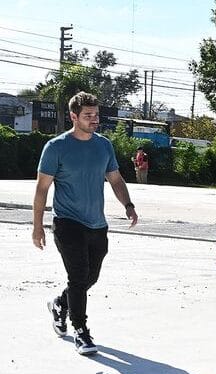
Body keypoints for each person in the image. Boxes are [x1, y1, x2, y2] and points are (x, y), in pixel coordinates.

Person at [33, 91, 139, 356]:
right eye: (88, 115)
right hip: (67, 222)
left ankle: (61, 303)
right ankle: (81, 331)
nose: (94, 120)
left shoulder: (103, 146)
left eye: (96, 115)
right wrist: (37, 226)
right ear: (73, 116)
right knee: (79, 276)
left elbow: (115, 179)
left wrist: (128, 205)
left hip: (97, 224)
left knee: (90, 277)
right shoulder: (56, 147)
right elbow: (42, 189)